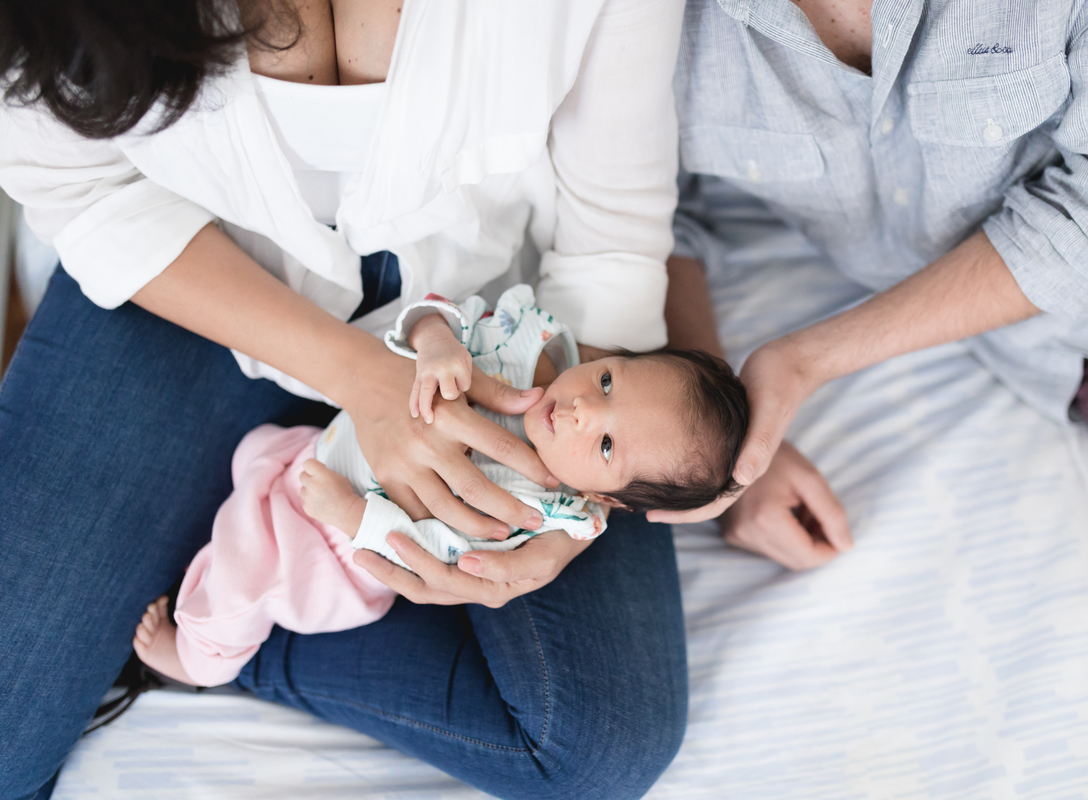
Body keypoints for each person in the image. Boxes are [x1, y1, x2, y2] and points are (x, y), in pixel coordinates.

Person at [0, 1, 692, 798]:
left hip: (502, 309)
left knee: (600, 748)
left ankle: (223, 629)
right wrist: (359, 377)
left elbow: (611, 227)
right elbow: (84, 190)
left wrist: (580, 506)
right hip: (196, 295)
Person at [654, 0, 1088, 566]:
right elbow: (654, 218)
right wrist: (720, 441)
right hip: (1079, 366)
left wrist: (808, 359)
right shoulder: (648, 23)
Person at [132, 284, 748, 688]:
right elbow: (434, 309)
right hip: (321, 448)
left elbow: (444, 551)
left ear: (607, 499)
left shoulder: (535, 510)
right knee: (254, 466)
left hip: (332, 547)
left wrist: (353, 517)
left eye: (606, 445)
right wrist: (437, 344)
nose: (584, 408)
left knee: (246, 577)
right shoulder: (524, 340)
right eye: (609, 381)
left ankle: (201, 660)